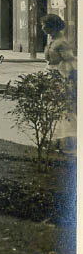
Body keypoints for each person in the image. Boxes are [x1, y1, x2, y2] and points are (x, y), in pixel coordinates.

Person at [41, 14, 77, 151]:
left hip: (61, 77)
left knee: (62, 109)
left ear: (52, 27)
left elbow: (70, 62)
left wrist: (67, 79)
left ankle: (66, 139)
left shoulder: (62, 42)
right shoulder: (52, 40)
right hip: (51, 75)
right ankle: (53, 139)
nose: (42, 28)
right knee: (51, 108)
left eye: (44, 25)